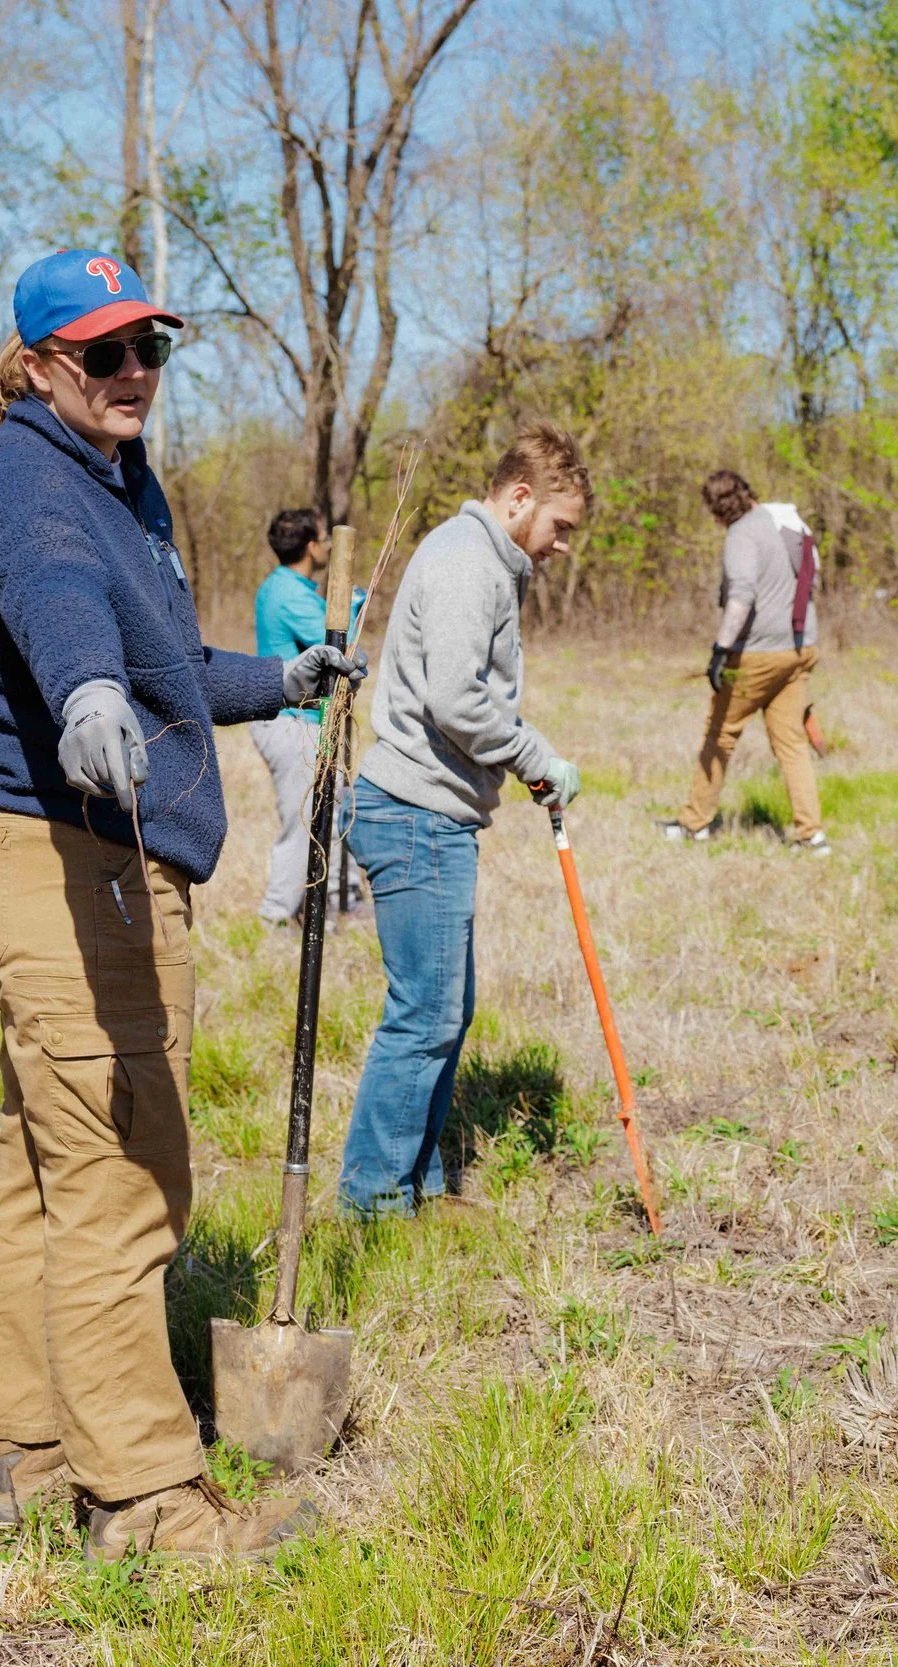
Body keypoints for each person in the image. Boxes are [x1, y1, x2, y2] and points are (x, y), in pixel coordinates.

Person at [0, 248, 358, 1558]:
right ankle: (144, 1500)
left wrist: (283, 679)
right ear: (39, 362)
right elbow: (58, 604)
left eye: (151, 350)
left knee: (44, 1176)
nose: (135, 375)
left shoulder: (121, 484)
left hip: (69, 874)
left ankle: (17, 1444)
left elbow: (162, 661)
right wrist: (84, 695)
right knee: (130, 1186)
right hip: (78, 878)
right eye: (104, 352)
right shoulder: (28, 482)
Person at [338, 422, 589, 1218]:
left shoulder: (488, 561)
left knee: (446, 1007)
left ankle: (422, 1182)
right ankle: (373, 1203)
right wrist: (533, 754)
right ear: (521, 499)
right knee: (425, 1012)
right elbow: (455, 698)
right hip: (413, 812)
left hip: (435, 814)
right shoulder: (463, 562)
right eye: (560, 527)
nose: (562, 547)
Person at [662, 470, 826, 853]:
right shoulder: (787, 522)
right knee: (792, 744)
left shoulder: (743, 534)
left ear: (718, 509)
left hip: (759, 653)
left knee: (720, 733)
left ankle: (695, 823)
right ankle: (811, 834)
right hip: (800, 648)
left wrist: (721, 649)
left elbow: (742, 594)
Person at [250, 507, 365, 925]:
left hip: (296, 720)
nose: (330, 547)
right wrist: (353, 604)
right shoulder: (290, 593)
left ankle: (332, 901)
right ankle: (276, 916)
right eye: (326, 539)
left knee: (325, 813)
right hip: (292, 722)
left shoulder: (282, 586)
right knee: (302, 822)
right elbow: (338, 644)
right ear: (313, 546)